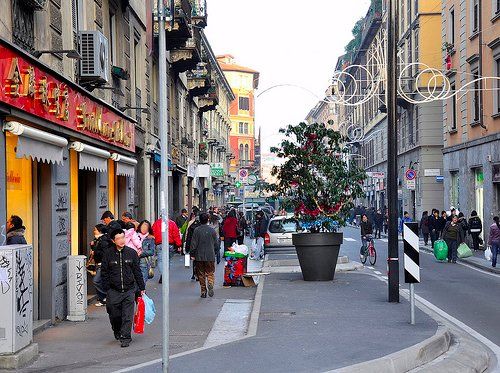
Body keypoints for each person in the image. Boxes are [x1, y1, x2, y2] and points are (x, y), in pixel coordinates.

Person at [101, 229, 145, 348]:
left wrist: (142, 287)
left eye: (123, 237)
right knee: (114, 315)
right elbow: (104, 272)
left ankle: (125, 337)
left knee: (127, 315)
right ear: (113, 241)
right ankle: (117, 330)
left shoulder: (131, 253)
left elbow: (137, 271)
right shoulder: (108, 254)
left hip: (129, 290)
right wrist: (107, 289)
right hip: (113, 290)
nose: (122, 240)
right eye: (118, 238)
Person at [189, 213, 218, 298]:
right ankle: (210, 282)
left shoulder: (197, 230)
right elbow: (216, 243)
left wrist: (192, 254)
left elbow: (193, 244)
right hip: (210, 255)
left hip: (199, 255)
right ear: (208, 220)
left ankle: (203, 291)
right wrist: (215, 252)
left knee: (200, 274)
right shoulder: (212, 230)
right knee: (210, 272)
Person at [152, 217, 182, 284]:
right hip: (169, 244)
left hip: (159, 243)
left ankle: (163, 274)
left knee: (160, 260)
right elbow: (176, 234)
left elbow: (153, 232)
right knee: (167, 260)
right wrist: (179, 245)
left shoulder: (156, 223)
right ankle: (164, 275)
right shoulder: (172, 223)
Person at [90, 224, 112, 306]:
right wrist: (92, 246)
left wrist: (95, 252)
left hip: (102, 263)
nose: (94, 231)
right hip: (99, 263)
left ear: (99, 231)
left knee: (96, 281)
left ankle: (106, 296)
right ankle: (103, 299)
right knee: (101, 281)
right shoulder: (97, 239)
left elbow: (104, 253)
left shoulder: (103, 240)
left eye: (95, 229)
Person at [184, 213, 202, 281]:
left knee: (194, 260)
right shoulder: (202, 227)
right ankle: (199, 273)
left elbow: (188, 237)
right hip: (200, 246)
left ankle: (194, 274)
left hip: (193, 245)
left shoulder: (191, 226)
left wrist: (187, 247)